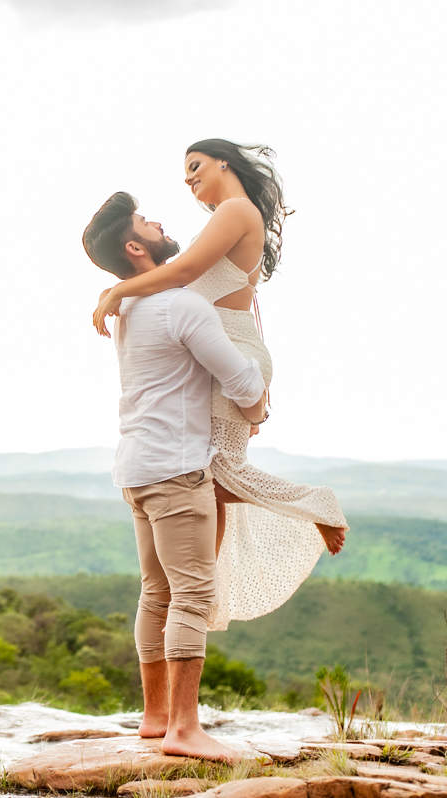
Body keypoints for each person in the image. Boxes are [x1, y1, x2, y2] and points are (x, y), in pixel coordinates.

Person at [88, 140, 349, 633]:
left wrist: (118, 288)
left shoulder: (233, 209)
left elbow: (181, 274)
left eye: (195, 166)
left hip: (230, 350)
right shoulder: (227, 215)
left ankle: (316, 504)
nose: (188, 179)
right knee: (209, 475)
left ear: (223, 161)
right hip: (223, 348)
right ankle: (201, 591)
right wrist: (116, 288)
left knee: (214, 474)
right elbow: (172, 280)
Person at [82, 191, 265, 762]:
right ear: (137, 247)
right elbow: (241, 381)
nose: (160, 222)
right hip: (177, 469)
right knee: (192, 593)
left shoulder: (132, 309)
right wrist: (258, 406)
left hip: (136, 469)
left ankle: (156, 716)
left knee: (156, 592)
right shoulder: (181, 306)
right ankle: (185, 729)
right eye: (146, 222)